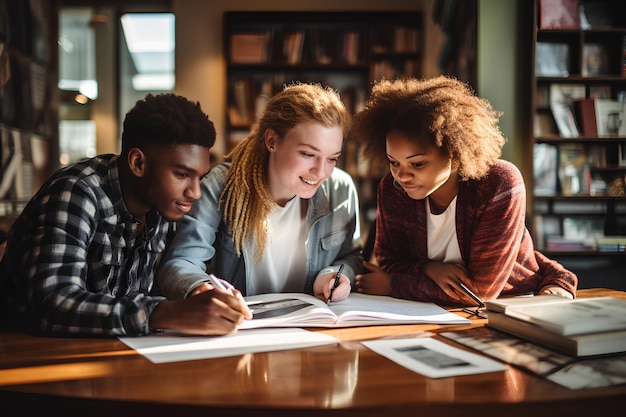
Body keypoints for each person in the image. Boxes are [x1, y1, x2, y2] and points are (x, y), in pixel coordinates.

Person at [0, 93, 251, 337]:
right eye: (182, 175)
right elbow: (54, 304)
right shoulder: (76, 193)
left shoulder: (161, 207)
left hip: (109, 353)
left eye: (200, 177)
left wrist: (201, 295)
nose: (195, 193)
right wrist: (165, 313)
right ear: (138, 163)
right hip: (26, 354)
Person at [349, 76, 577, 307]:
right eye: (393, 162)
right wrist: (429, 269)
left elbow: (480, 291)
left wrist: (393, 286)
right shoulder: (392, 188)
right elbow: (389, 260)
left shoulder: (498, 184)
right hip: (427, 309)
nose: (402, 176)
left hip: (511, 305)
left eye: (417, 164)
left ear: (454, 153)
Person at [157, 82, 361, 303]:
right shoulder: (220, 186)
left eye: (332, 158)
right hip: (241, 328)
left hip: (311, 326)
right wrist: (205, 292)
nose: (321, 172)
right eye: (308, 154)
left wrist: (333, 276)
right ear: (272, 141)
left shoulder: (341, 189)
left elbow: (350, 256)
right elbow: (180, 263)